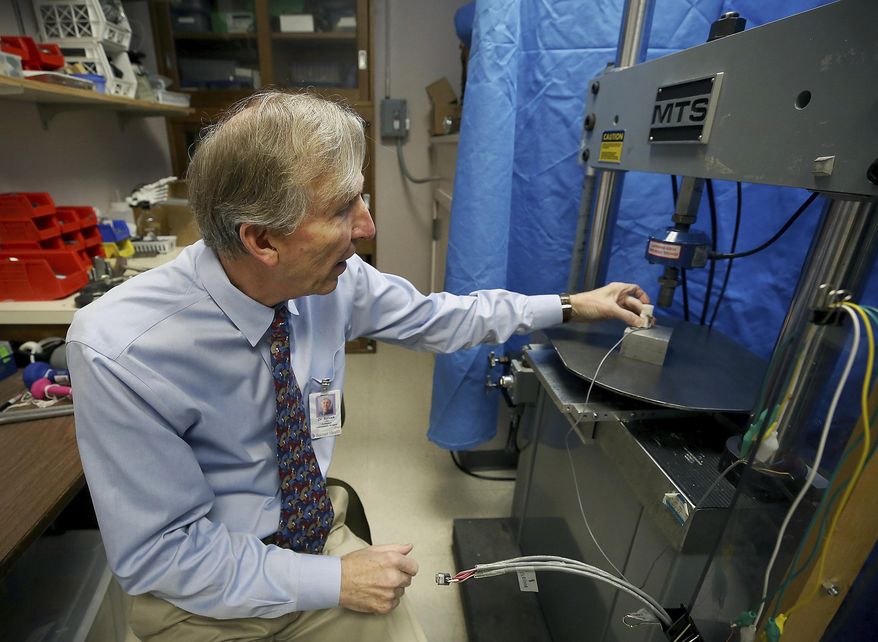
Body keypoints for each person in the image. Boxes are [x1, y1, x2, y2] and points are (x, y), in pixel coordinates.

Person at [66, 90, 650, 641]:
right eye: (346, 209)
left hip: (311, 540)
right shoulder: (121, 348)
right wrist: (338, 581)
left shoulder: (331, 282)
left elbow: (440, 319)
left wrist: (572, 306)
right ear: (262, 240)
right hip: (200, 597)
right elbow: (163, 555)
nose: (368, 228)